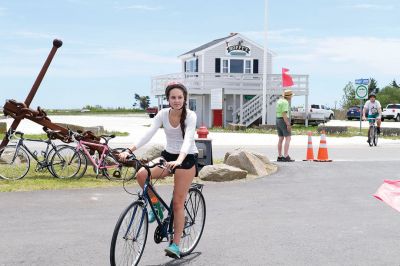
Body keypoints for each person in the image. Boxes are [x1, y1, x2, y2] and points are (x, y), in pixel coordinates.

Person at [119, 82, 198, 259]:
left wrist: (179, 159)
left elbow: (189, 139)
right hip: (168, 155)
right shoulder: (163, 114)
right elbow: (148, 133)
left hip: (186, 159)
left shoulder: (190, 116)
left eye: (179, 97)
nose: (176, 100)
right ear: (168, 99)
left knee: (178, 203)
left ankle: (176, 245)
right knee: (141, 174)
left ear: (184, 98)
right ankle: (156, 206)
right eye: (173, 97)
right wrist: (129, 150)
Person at [276, 89, 294, 162]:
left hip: (278, 119)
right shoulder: (285, 102)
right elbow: (284, 114)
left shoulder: (279, 101)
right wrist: (288, 124)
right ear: (289, 96)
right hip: (283, 120)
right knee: (288, 138)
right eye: (291, 96)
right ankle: (286, 156)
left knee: (281, 138)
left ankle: (280, 156)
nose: (291, 97)